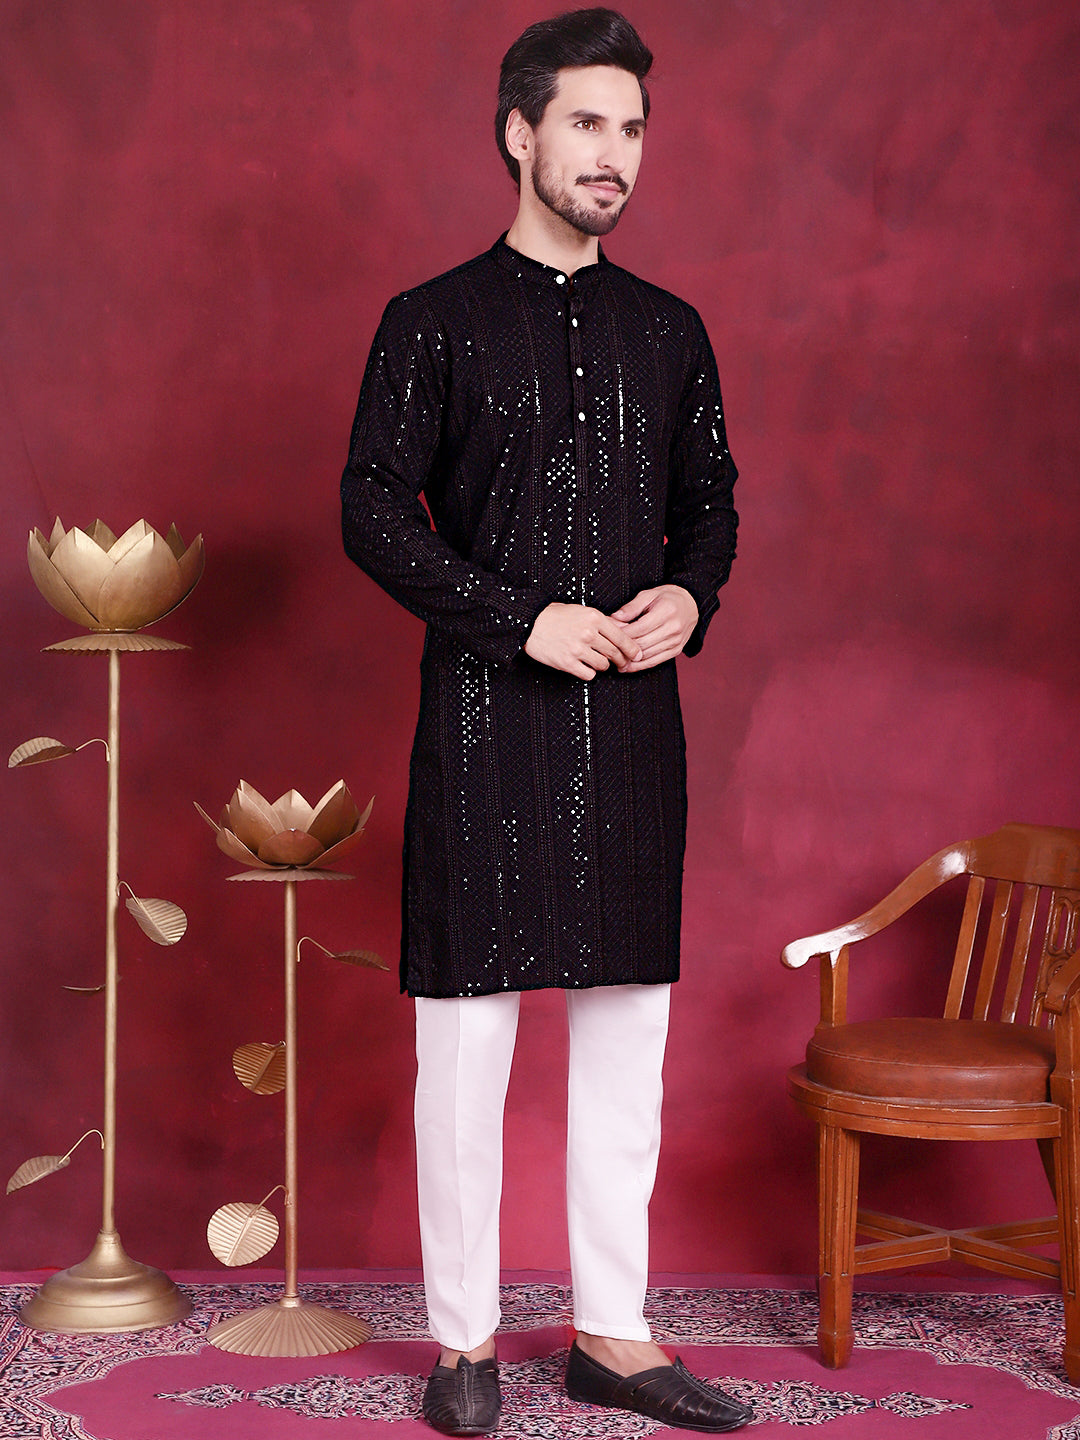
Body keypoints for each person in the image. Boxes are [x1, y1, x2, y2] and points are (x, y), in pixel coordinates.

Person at [341, 9, 749, 1434]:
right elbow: (372, 509)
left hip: (632, 735)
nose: (614, 154)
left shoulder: (670, 332)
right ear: (519, 133)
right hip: (482, 723)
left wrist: (689, 597)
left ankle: (613, 1335)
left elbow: (711, 504)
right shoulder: (433, 321)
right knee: (466, 1050)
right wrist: (519, 619)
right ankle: (462, 1344)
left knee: (628, 1040)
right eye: (587, 123)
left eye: (631, 129)